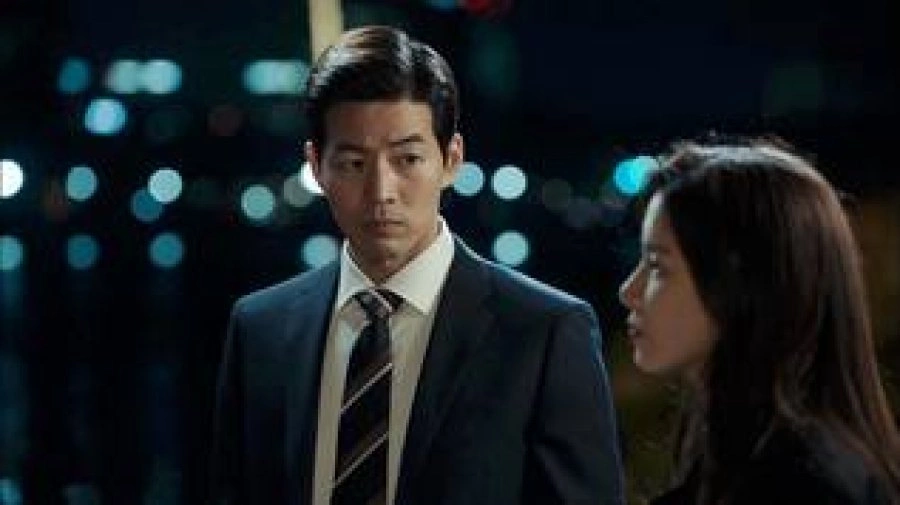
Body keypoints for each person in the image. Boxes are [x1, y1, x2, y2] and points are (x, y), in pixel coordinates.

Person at [209, 25, 624, 505]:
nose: (381, 192)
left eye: (407, 159)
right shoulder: (259, 329)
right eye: (353, 164)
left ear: (451, 159)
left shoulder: (542, 332)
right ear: (316, 165)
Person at [618, 138, 900, 505]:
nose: (629, 291)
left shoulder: (801, 486)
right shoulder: (746, 465)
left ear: (742, 280)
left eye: (658, 266)